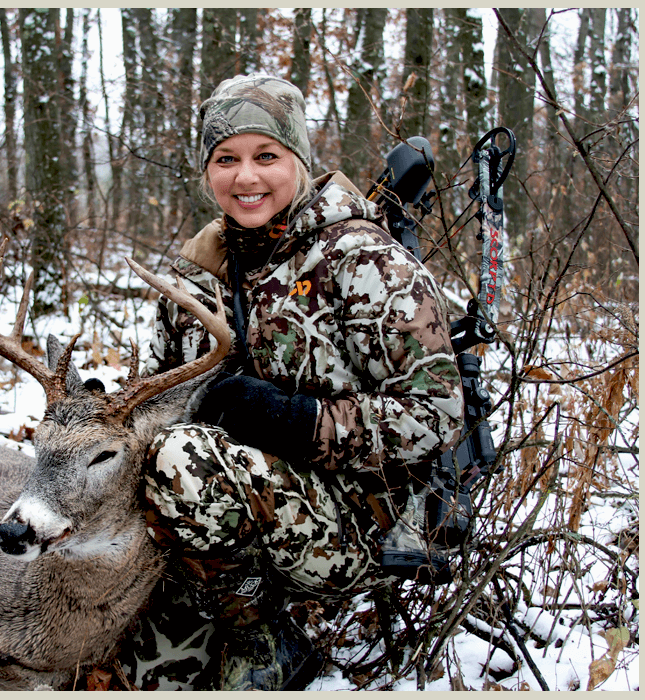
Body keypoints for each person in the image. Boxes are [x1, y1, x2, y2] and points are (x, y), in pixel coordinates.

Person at [140, 73, 464, 691]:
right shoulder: (191, 277)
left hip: (355, 522)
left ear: (299, 159)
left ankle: (266, 640)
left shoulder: (362, 260)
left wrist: (295, 419)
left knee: (180, 458)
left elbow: (438, 413)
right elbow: (150, 393)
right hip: (212, 524)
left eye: (267, 156)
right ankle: (223, 597)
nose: (246, 178)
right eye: (225, 159)